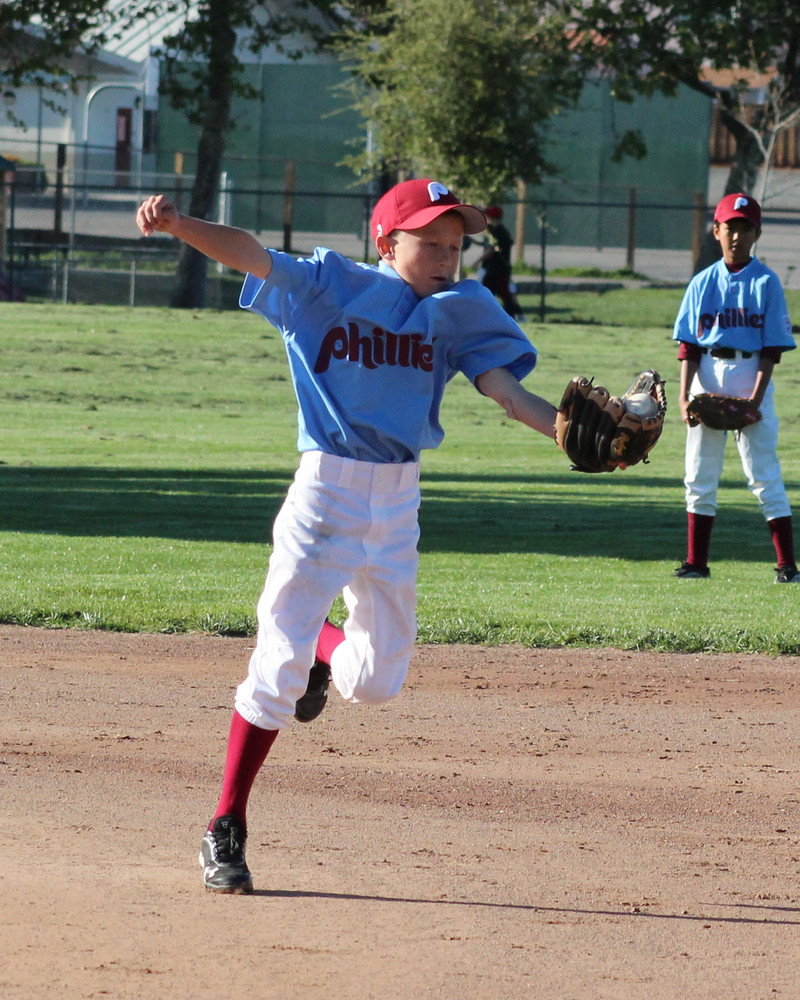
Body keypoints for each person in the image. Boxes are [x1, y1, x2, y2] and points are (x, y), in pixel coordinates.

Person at [136, 178, 558, 893]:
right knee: (277, 666)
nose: (446, 256)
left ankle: (322, 648)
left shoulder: (458, 310)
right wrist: (181, 226)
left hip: (397, 503)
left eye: (455, 244)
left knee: (376, 681)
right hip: (326, 493)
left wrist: (571, 434)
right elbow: (251, 254)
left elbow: (508, 394)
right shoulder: (332, 286)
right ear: (385, 242)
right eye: (430, 241)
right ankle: (225, 823)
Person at [673, 191, 798, 583]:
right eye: (730, 228)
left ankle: (787, 566)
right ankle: (696, 563)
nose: (737, 236)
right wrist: (683, 396)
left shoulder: (766, 282)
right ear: (716, 231)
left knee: (763, 473)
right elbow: (688, 346)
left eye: (745, 228)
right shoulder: (702, 282)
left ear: (757, 233)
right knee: (699, 472)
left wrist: (754, 401)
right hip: (708, 372)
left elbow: (772, 349)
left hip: (750, 372)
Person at [477, 205, 523, 319]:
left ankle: (514, 314)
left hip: (499, 270)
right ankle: (487, 316)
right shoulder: (498, 230)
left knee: (501, 294)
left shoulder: (499, 232)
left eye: (488, 216)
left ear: (492, 217)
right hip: (495, 269)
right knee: (489, 293)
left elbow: (491, 250)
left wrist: (477, 261)